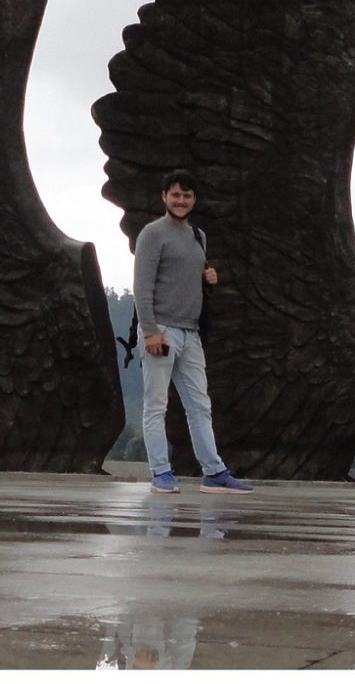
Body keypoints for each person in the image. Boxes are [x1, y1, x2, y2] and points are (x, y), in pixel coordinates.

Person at [132, 169, 252, 495]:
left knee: (200, 406)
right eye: (175, 194)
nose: (180, 200)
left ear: (193, 199)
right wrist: (150, 332)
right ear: (164, 197)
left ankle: (214, 472)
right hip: (162, 331)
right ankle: (160, 471)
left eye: (186, 195)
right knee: (156, 405)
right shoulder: (152, 234)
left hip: (191, 333)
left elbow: (185, 276)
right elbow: (142, 288)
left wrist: (207, 276)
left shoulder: (198, 236)